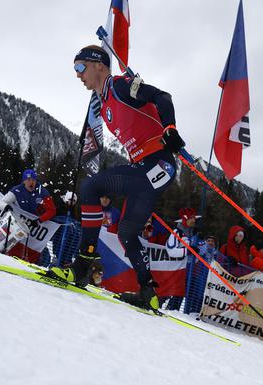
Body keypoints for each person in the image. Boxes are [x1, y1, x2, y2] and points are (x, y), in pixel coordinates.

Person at [50, 45, 183, 311]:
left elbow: (162, 96)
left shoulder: (120, 86)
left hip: (157, 163)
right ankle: (148, 292)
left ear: (99, 65)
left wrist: (170, 127)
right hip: (148, 168)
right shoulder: (105, 101)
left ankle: (82, 267)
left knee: (91, 186)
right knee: (127, 232)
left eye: (80, 67)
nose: (77, 74)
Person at [0, 168, 57, 261]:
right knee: (8, 241)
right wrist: (6, 207)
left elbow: (52, 211)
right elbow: (1, 203)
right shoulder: (17, 190)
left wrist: (39, 220)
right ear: (24, 181)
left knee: (33, 247)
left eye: (33, 179)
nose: (31, 182)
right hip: (15, 224)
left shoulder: (42, 192)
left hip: (32, 227)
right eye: (28, 180)